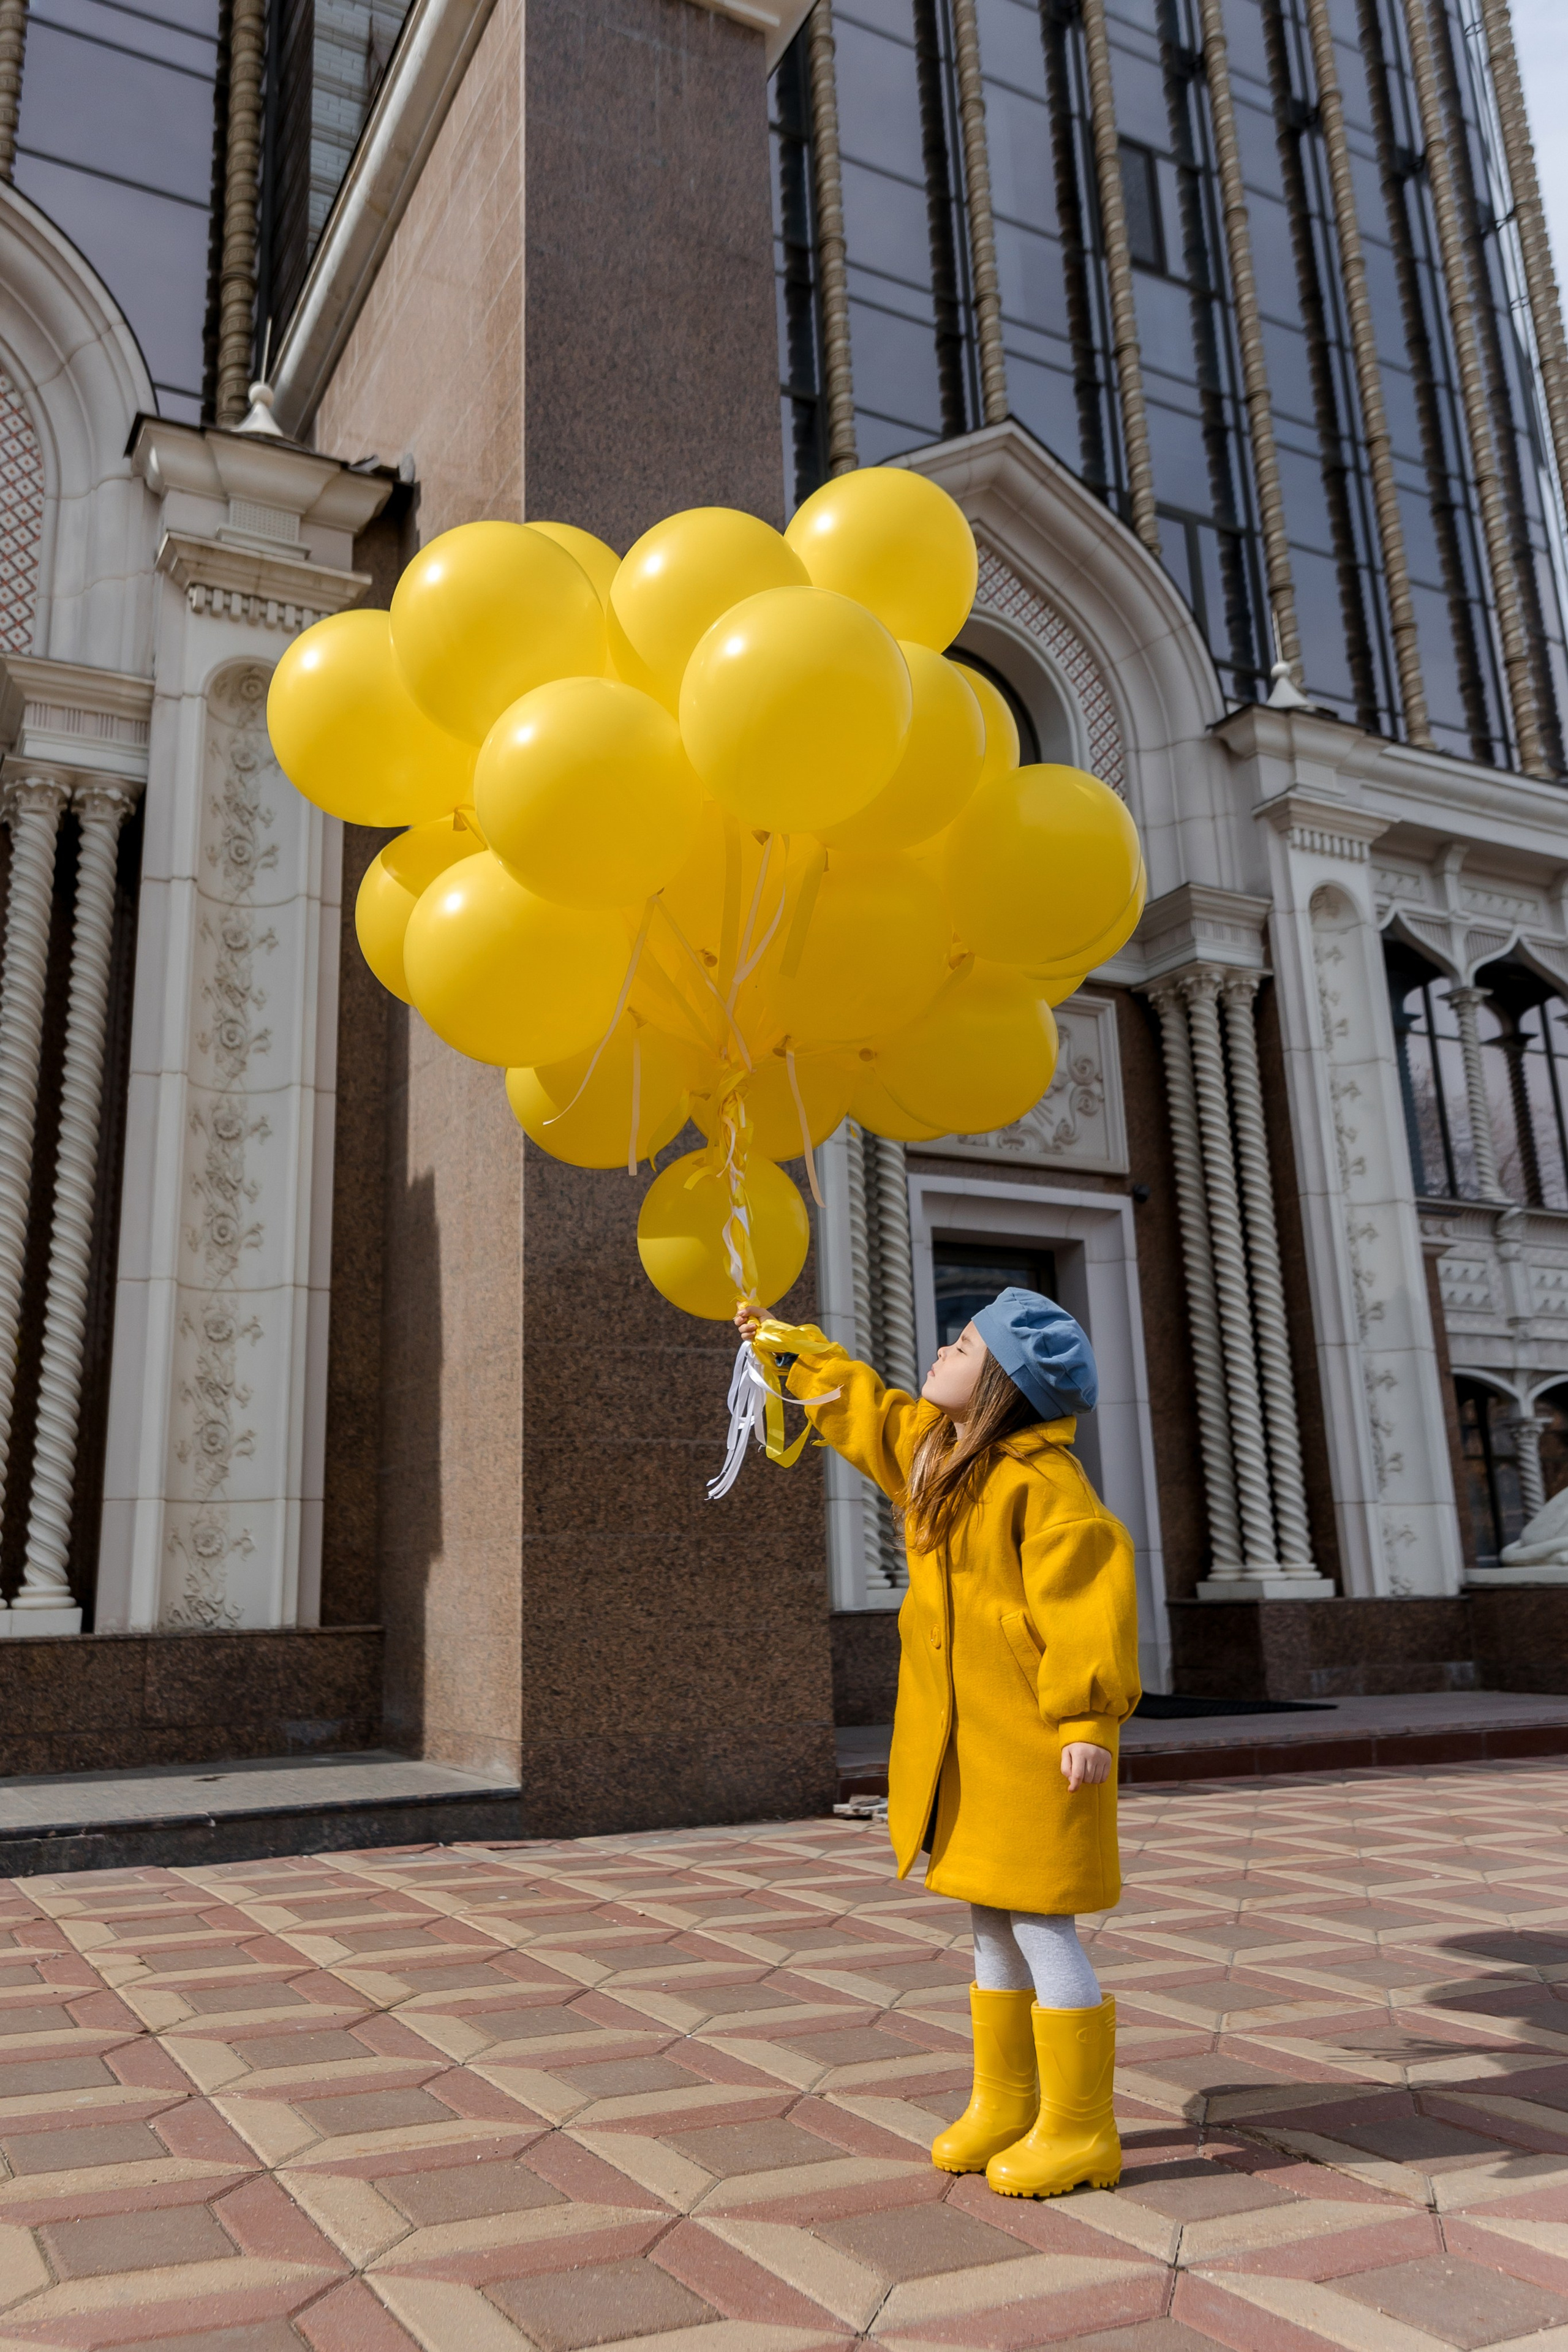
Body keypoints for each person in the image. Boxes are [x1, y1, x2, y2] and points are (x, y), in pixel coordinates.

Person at [734, 1287, 1138, 2199]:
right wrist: (788, 1349)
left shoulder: (1046, 1491)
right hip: (970, 1748)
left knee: (1042, 1922)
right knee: (989, 1918)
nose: (941, 1354)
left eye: (961, 1345)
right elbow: (866, 1414)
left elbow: (1087, 1608)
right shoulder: (942, 1462)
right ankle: (1006, 2102)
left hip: (1034, 1749)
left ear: (1000, 1380)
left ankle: (1081, 2129)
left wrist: (1085, 1722)